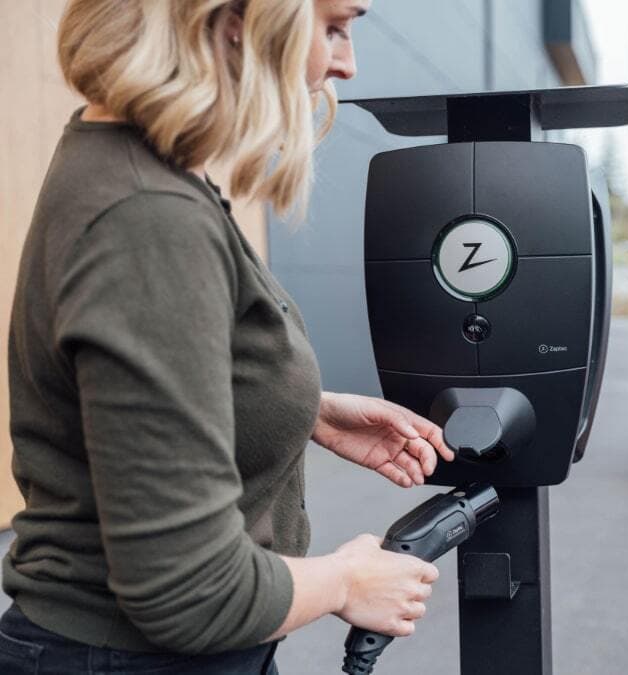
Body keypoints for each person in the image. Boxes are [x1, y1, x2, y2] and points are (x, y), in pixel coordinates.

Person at [0, 1, 455, 673]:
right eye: (332, 26)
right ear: (237, 18)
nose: (347, 64)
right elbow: (190, 589)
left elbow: (129, 398)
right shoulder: (150, 218)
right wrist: (348, 579)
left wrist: (300, 406)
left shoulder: (123, 162)